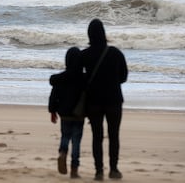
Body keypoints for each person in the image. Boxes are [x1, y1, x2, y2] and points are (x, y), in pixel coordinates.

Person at [81, 18, 128, 181]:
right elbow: (124, 77)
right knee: (114, 135)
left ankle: (99, 171)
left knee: (97, 136)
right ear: (103, 33)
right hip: (114, 100)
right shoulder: (115, 53)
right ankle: (114, 169)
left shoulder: (84, 55)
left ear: (89, 35)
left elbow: (79, 78)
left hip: (93, 101)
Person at [48, 47, 86, 178]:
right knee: (76, 141)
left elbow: (53, 95)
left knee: (65, 136)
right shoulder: (84, 79)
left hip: (64, 113)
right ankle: (74, 169)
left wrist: (52, 111)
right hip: (79, 115)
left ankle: (63, 153)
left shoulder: (61, 78)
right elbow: (89, 96)